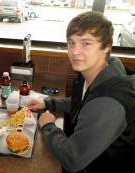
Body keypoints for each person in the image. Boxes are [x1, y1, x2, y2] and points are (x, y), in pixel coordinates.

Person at [28, 11, 135, 173]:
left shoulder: (108, 103)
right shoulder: (102, 71)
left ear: (106, 47)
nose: (75, 51)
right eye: (71, 43)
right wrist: (47, 103)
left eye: (86, 43)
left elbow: (72, 159)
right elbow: (81, 101)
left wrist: (48, 125)